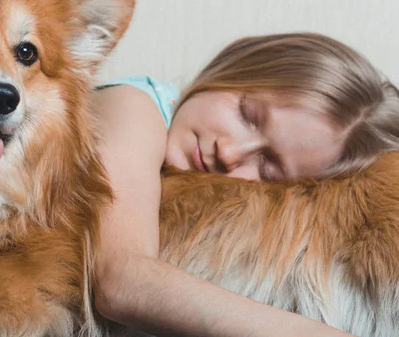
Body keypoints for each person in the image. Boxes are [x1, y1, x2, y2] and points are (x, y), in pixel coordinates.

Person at [91, 32, 399, 336]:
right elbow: (120, 279)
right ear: (236, 65)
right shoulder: (134, 104)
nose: (228, 152)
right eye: (247, 115)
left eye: (268, 168)